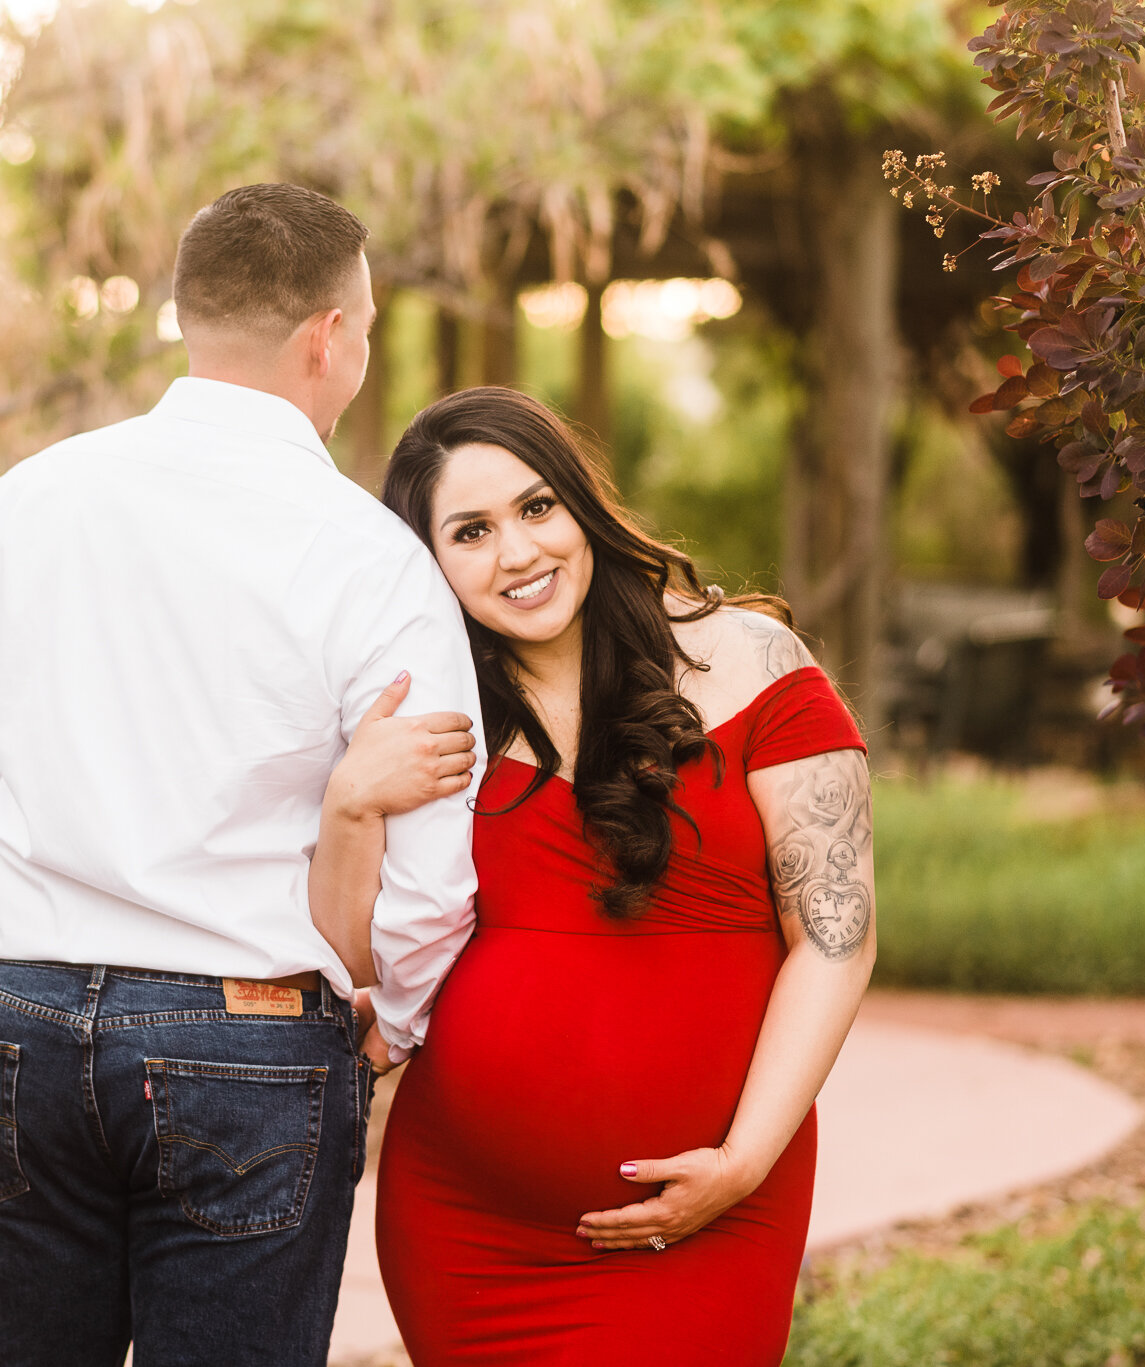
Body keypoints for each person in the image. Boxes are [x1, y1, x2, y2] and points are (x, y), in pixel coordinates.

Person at [0, 184, 483, 1367]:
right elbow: (429, 871)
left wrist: (47, 924)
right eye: (366, 329)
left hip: (28, 1008)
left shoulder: (24, 503)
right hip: (250, 1036)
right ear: (325, 335)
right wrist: (397, 1015)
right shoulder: (368, 558)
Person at [355, 387, 878, 1365]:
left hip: (714, 1205)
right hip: (465, 1226)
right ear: (429, 564)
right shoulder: (438, 716)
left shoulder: (751, 661)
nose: (516, 552)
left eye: (536, 507)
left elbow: (836, 936)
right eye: (470, 531)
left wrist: (743, 1160)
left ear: (583, 506)